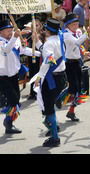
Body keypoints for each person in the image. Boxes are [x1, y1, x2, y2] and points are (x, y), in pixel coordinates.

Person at [0, 19, 41, 134]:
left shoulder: (15, 40)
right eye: (7, 31)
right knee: (13, 100)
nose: (10, 33)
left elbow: (23, 50)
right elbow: (6, 51)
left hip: (14, 76)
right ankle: (8, 123)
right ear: (1, 33)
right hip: (2, 77)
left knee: (16, 101)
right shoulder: (1, 42)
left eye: (11, 30)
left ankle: (9, 123)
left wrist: (40, 53)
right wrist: (15, 37)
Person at [34, 18, 67, 148]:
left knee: (48, 107)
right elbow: (47, 52)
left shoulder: (49, 43)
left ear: (47, 30)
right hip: (62, 76)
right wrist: (37, 42)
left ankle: (55, 138)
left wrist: (39, 77)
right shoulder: (60, 38)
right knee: (50, 102)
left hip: (51, 79)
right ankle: (55, 127)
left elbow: (48, 59)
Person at [61, 13, 90, 122]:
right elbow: (76, 42)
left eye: (76, 23)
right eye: (73, 24)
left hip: (78, 62)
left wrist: (84, 52)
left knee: (78, 88)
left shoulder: (78, 32)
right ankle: (59, 96)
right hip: (69, 63)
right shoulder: (66, 35)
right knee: (74, 87)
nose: (75, 26)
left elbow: (79, 46)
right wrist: (87, 32)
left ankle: (71, 111)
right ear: (68, 25)